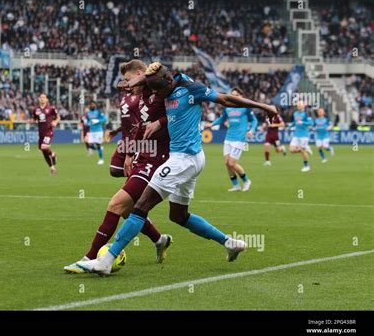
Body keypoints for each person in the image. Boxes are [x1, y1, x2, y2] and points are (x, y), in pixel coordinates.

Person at [76, 62, 278, 276]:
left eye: (159, 92)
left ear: (168, 83)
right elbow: (140, 81)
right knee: (179, 216)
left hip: (184, 160)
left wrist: (265, 107)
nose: (157, 97)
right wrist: (129, 84)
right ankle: (229, 242)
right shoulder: (163, 81)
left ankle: (106, 260)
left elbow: (226, 99)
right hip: (190, 158)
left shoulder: (192, 89)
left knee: (140, 207)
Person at [64, 60, 172, 273]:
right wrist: (129, 151)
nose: (126, 84)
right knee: (127, 207)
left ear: (141, 74)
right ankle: (160, 240)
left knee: (116, 204)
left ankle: (91, 257)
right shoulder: (135, 97)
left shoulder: (160, 90)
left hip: (156, 159)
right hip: (141, 153)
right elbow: (134, 126)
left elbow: (175, 111)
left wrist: (158, 125)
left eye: (129, 79)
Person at [205, 87, 257, 192]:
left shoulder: (245, 107)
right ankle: (236, 186)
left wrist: (252, 130)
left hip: (239, 138)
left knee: (232, 163)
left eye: (236, 95)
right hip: (228, 138)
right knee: (226, 163)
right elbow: (222, 119)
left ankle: (246, 181)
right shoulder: (228, 107)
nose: (234, 97)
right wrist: (212, 124)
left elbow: (254, 120)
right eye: (232, 95)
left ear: (241, 96)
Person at [31, 93, 60, 176]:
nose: (42, 99)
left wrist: (55, 122)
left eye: (44, 97)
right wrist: (32, 121)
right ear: (39, 99)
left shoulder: (51, 108)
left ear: (47, 99)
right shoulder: (36, 110)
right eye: (41, 97)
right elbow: (35, 119)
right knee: (42, 150)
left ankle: (52, 156)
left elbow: (58, 117)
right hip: (41, 133)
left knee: (44, 147)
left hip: (48, 132)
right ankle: (52, 166)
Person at [289, 103, 313, 172]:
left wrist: (303, 122)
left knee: (303, 152)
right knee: (291, 150)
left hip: (304, 135)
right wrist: (290, 126)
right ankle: (306, 149)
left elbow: (310, 123)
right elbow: (295, 122)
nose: (299, 106)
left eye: (300, 105)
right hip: (296, 135)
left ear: (303, 106)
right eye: (298, 105)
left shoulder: (306, 114)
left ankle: (306, 166)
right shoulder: (295, 113)